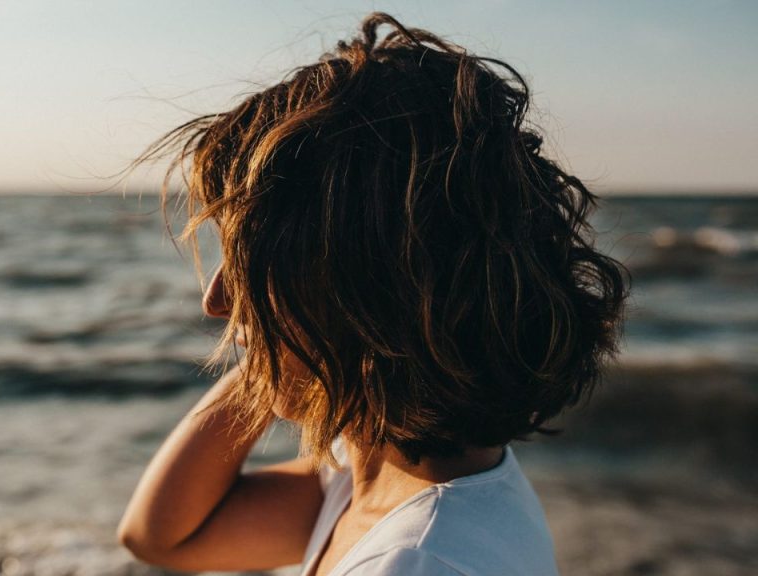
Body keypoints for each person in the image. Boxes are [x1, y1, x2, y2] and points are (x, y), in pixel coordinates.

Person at [117, 12, 628, 576]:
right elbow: (162, 537)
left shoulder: (420, 559)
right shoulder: (383, 483)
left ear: (358, 288)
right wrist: (272, 343)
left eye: (248, 264)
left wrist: (275, 340)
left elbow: (165, 540)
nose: (216, 299)